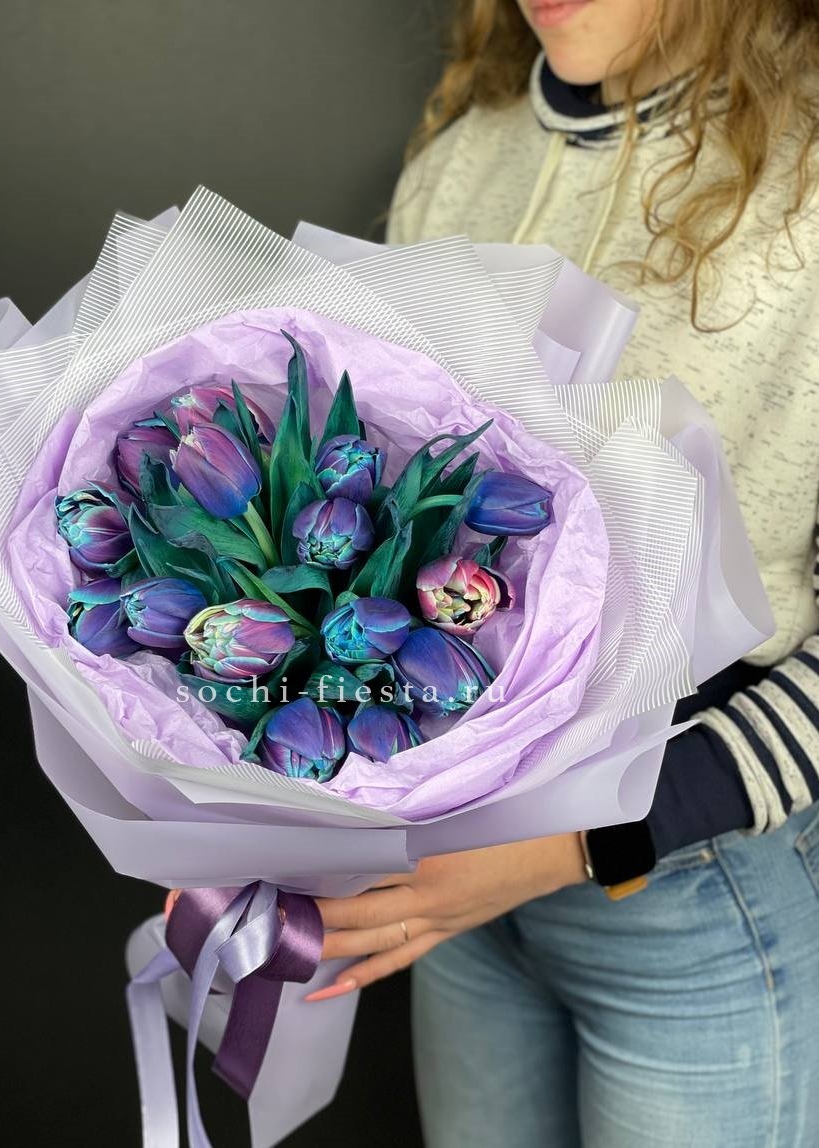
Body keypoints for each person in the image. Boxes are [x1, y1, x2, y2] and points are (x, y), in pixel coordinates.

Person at [305, 2, 819, 1144]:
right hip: (452, 900)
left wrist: (572, 844)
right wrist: (253, 809)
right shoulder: (461, 164)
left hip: (692, 900)